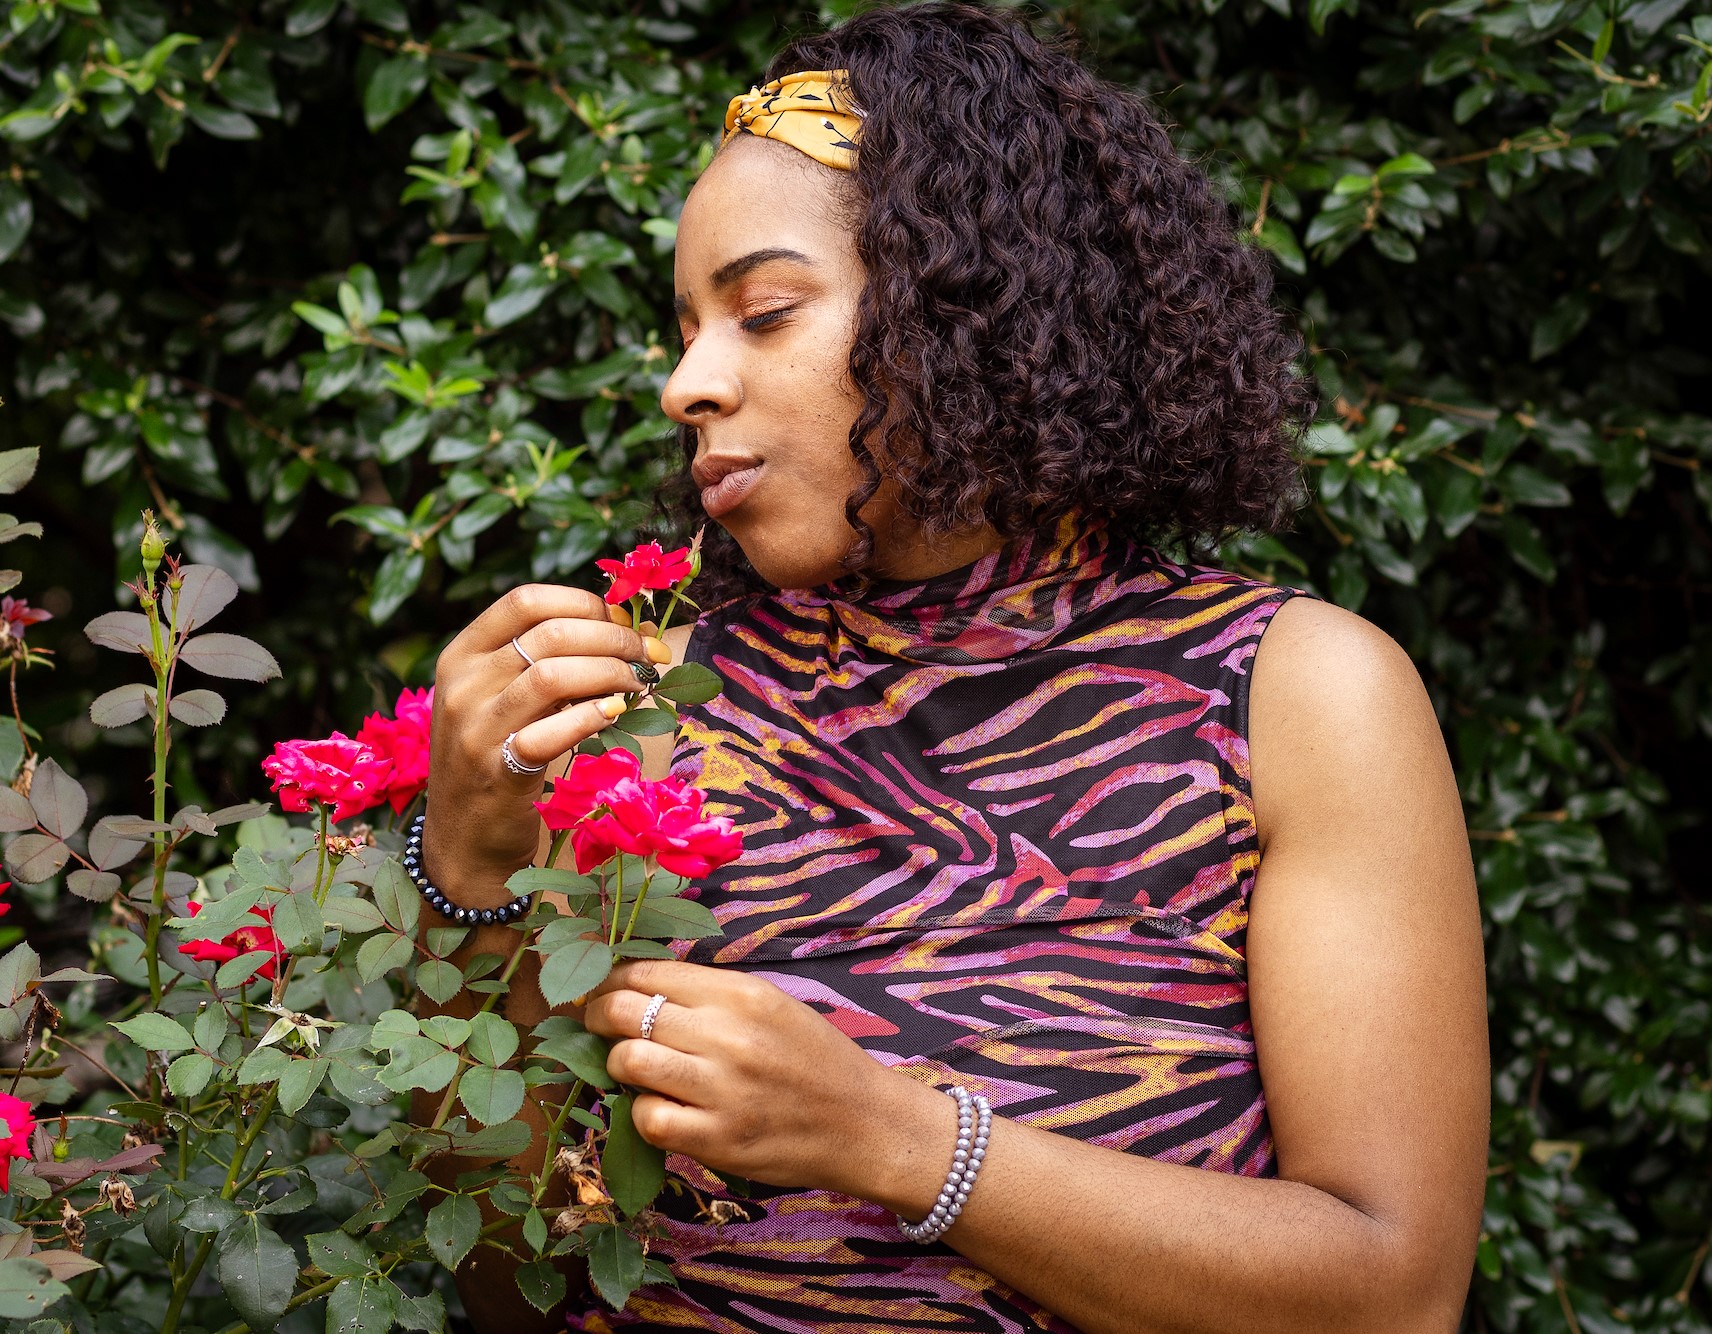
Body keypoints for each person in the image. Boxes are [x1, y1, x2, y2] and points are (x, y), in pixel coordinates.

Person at [419, 5, 1489, 1331]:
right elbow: (505, 1288)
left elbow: (1394, 1296)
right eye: (686, 329)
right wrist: (467, 857)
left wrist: (896, 1137)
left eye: (762, 312)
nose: (687, 383)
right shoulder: (636, 726)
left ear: (970, 308)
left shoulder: (1289, 697)